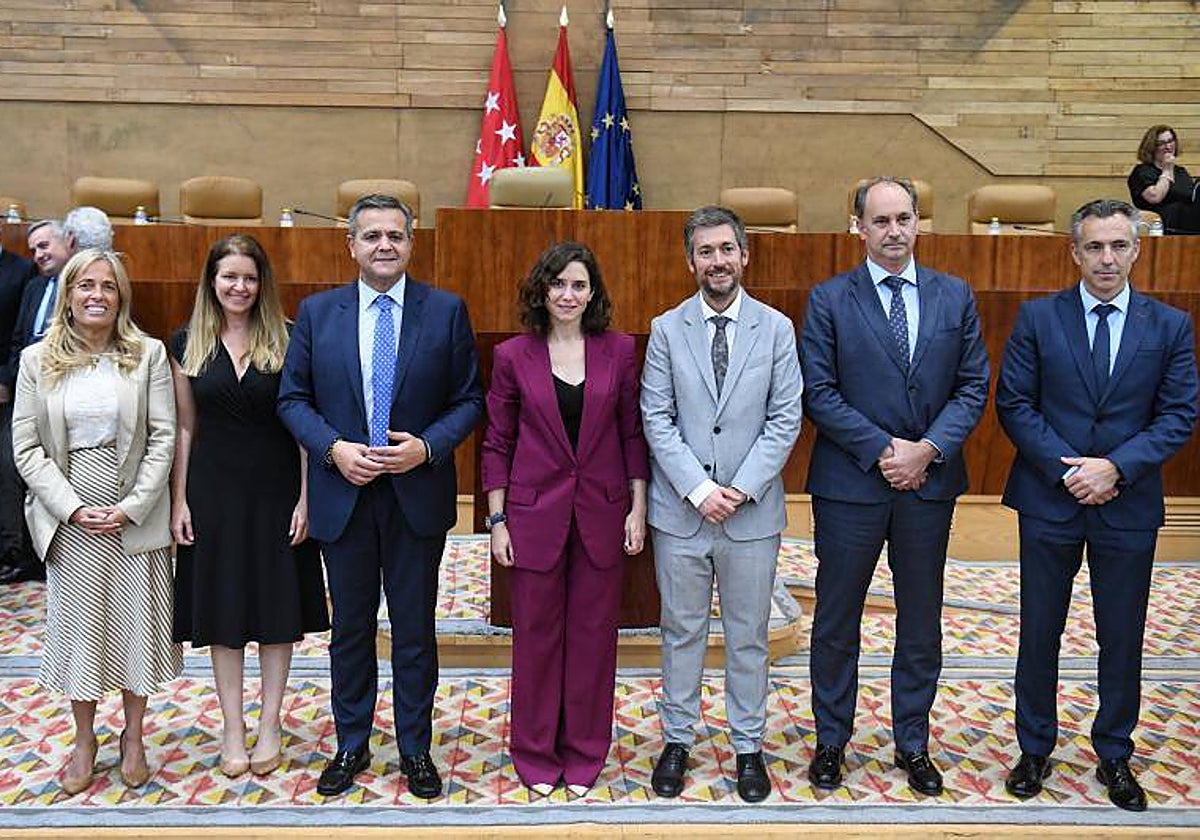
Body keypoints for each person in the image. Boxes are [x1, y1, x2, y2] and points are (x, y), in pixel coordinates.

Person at [278, 194, 483, 799]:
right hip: (344, 494)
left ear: (412, 243)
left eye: (396, 234)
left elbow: (470, 400)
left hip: (416, 495)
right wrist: (333, 450)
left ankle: (415, 748)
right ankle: (351, 742)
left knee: (415, 629)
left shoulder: (445, 311)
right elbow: (292, 400)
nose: (384, 245)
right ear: (351, 245)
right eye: (372, 236)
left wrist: (427, 447)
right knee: (350, 630)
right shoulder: (318, 314)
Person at [995, 198, 1198, 813]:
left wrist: (1115, 468)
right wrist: (1072, 472)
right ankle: (1034, 747)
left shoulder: (1169, 326)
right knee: (1040, 630)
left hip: (1127, 503)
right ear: (1074, 252)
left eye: (1118, 246)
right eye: (1094, 247)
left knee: (1122, 634)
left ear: (1136, 249)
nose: (1106, 258)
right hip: (1050, 500)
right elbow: (1015, 405)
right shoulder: (1038, 318)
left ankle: (1115, 751)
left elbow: (1179, 414)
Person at [800, 177, 989, 796]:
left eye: (903, 218)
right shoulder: (829, 299)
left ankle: (913, 740)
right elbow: (820, 392)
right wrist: (885, 450)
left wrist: (927, 450)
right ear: (859, 228)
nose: (894, 231)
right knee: (835, 620)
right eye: (879, 221)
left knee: (921, 621)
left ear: (918, 222)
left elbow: (971, 386)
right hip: (851, 484)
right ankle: (832, 739)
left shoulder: (954, 295)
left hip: (928, 485)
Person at [641, 205, 803, 803]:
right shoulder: (666, 328)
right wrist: (700, 489)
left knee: (748, 634)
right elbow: (656, 418)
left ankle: (748, 746)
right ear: (691, 261)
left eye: (726, 249)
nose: (717, 261)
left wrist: (740, 487)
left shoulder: (777, 328)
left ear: (744, 256)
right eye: (705, 252)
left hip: (752, 512)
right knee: (680, 630)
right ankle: (677, 739)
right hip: (682, 513)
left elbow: (785, 419)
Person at [480, 241, 649, 797]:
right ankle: (533, 752)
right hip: (531, 516)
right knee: (536, 638)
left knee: (593, 640)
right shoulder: (512, 356)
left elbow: (631, 433)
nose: (568, 295)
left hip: (603, 513)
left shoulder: (620, 352)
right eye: (558, 284)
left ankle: (583, 751)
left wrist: (637, 505)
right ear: (542, 291)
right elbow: (497, 442)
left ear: (593, 292)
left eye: (579, 285)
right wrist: (497, 518)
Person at [11, 248, 181, 796]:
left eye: (108, 287)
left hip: (133, 507)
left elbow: (164, 437)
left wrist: (132, 505)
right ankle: (84, 739)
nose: (97, 296)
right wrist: (71, 506)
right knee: (82, 631)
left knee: (135, 628)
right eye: (85, 285)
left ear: (121, 296)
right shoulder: (37, 360)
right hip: (71, 511)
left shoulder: (147, 353)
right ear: (68, 294)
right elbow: (26, 446)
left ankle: (134, 738)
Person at [170, 234, 329, 778]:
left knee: (277, 609)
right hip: (212, 491)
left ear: (263, 284)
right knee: (225, 611)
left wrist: (308, 498)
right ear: (211, 281)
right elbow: (185, 427)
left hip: (278, 487)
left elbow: (306, 429)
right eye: (229, 276)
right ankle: (232, 727)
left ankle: (269, 723)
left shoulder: (288, 339)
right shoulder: (186, 342)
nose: (239, 286)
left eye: (249, 277)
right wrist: (178, 502)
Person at [0, 219, 78, 585]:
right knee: (19, 467)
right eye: (34, 249)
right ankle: (29, 554)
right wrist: (9, 379)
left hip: (71, 390)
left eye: (46, 245)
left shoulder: (83, 285)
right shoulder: (33, 287)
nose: (39, 254)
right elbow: (19, 341)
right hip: (29, 388)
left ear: (70, 242)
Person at [0, 242, 37, 582]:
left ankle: (14, 550)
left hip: (8, 386)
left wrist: (5, 380)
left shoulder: (21, 270)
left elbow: (15, 336)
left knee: (11, 464)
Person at [1127, 125, 1200, 234]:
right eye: (1161, 143)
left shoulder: (1181, 172)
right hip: (1160, 229)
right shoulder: (1142, 171)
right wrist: (1167, 170)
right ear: (1152, 147)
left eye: (1170, 141)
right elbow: (1155, 197)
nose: (1168, 146)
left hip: (1189, 228)